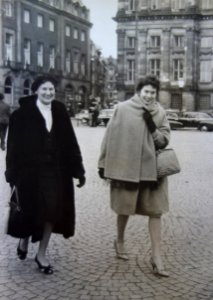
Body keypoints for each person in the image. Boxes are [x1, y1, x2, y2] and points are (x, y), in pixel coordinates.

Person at [5, 75, 86, 275]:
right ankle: (24, 240)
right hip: (29, 173)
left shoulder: (59, 111)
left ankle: (41, 254)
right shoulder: (21, 115)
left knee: (52, 211)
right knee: (30, 211)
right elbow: (13, 148)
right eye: (44, 89)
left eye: (51, 89)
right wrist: (12, 174)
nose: (49, 93)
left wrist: (78, 169)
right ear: (36, 91)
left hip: (55, 171)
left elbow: (70, 141)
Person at [98, 75, 170, 277]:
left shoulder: (160, 112)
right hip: (127, 169)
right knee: (125, 208)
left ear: (156, 94)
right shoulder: (122, 109)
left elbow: (164, 141)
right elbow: (109, 137)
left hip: (152, 172)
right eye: (146, 92)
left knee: (156, 212)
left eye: (152, 92)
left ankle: (157, 257)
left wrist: (152, 127)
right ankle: (119, 240)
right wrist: (103, 163)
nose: (149, 96)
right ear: (139, 92)